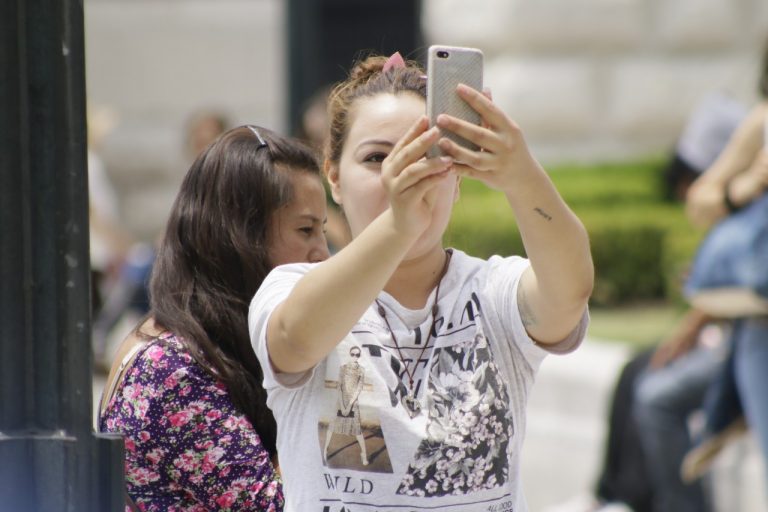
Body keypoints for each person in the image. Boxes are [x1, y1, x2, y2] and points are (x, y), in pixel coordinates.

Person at [248, 52, 593, 511]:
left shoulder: (494, 291)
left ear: (459, 178)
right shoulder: (292, 286)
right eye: (376, 159)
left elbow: (568, 294)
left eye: (429, 158)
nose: (404, 177)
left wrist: (522, 176)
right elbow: (294, 339)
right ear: (333, 176)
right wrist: (398, 225)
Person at [99, 125, 330, 511]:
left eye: (323, 231)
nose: (323, 254)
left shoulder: (210, 343)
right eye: (305, 230)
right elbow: (287, 504)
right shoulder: (171, 369)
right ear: (238, 237)